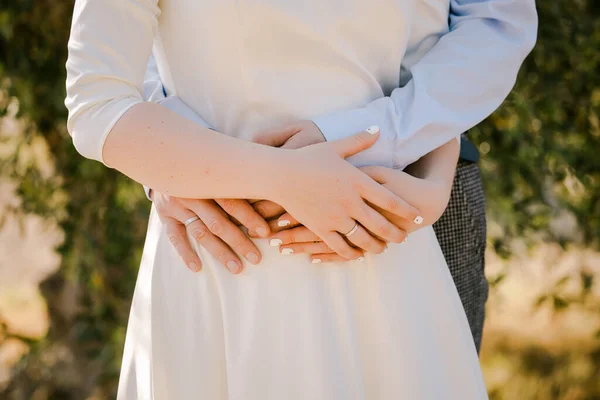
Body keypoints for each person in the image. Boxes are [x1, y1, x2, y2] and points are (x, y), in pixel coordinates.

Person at [65, 0, 535, 398]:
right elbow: (104, 94)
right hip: (218, 240)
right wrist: (179, 158)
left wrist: (417, 156)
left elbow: (492, 24)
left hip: (387, 217)